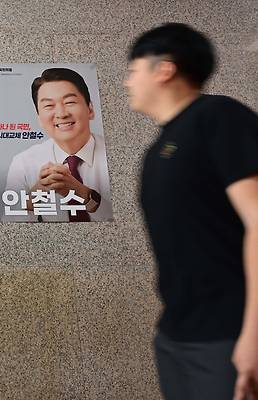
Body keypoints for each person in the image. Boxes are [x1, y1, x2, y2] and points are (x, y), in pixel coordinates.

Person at [125, 23, 258, 400]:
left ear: (164, 69)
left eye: (133, 70)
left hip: (228, 332)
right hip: (177, 333)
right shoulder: (161, 146)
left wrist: (253, 335)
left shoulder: (220, 117)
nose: (127, 82)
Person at [5, 68, 113, 222]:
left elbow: (132, 220)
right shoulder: (23, 162)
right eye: (49, 106)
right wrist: (34, 195)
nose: (61, 114)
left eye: (69, 102)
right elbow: (7, 228)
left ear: (90, 109)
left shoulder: (114, 153)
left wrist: (81, 193)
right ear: (39, 118)